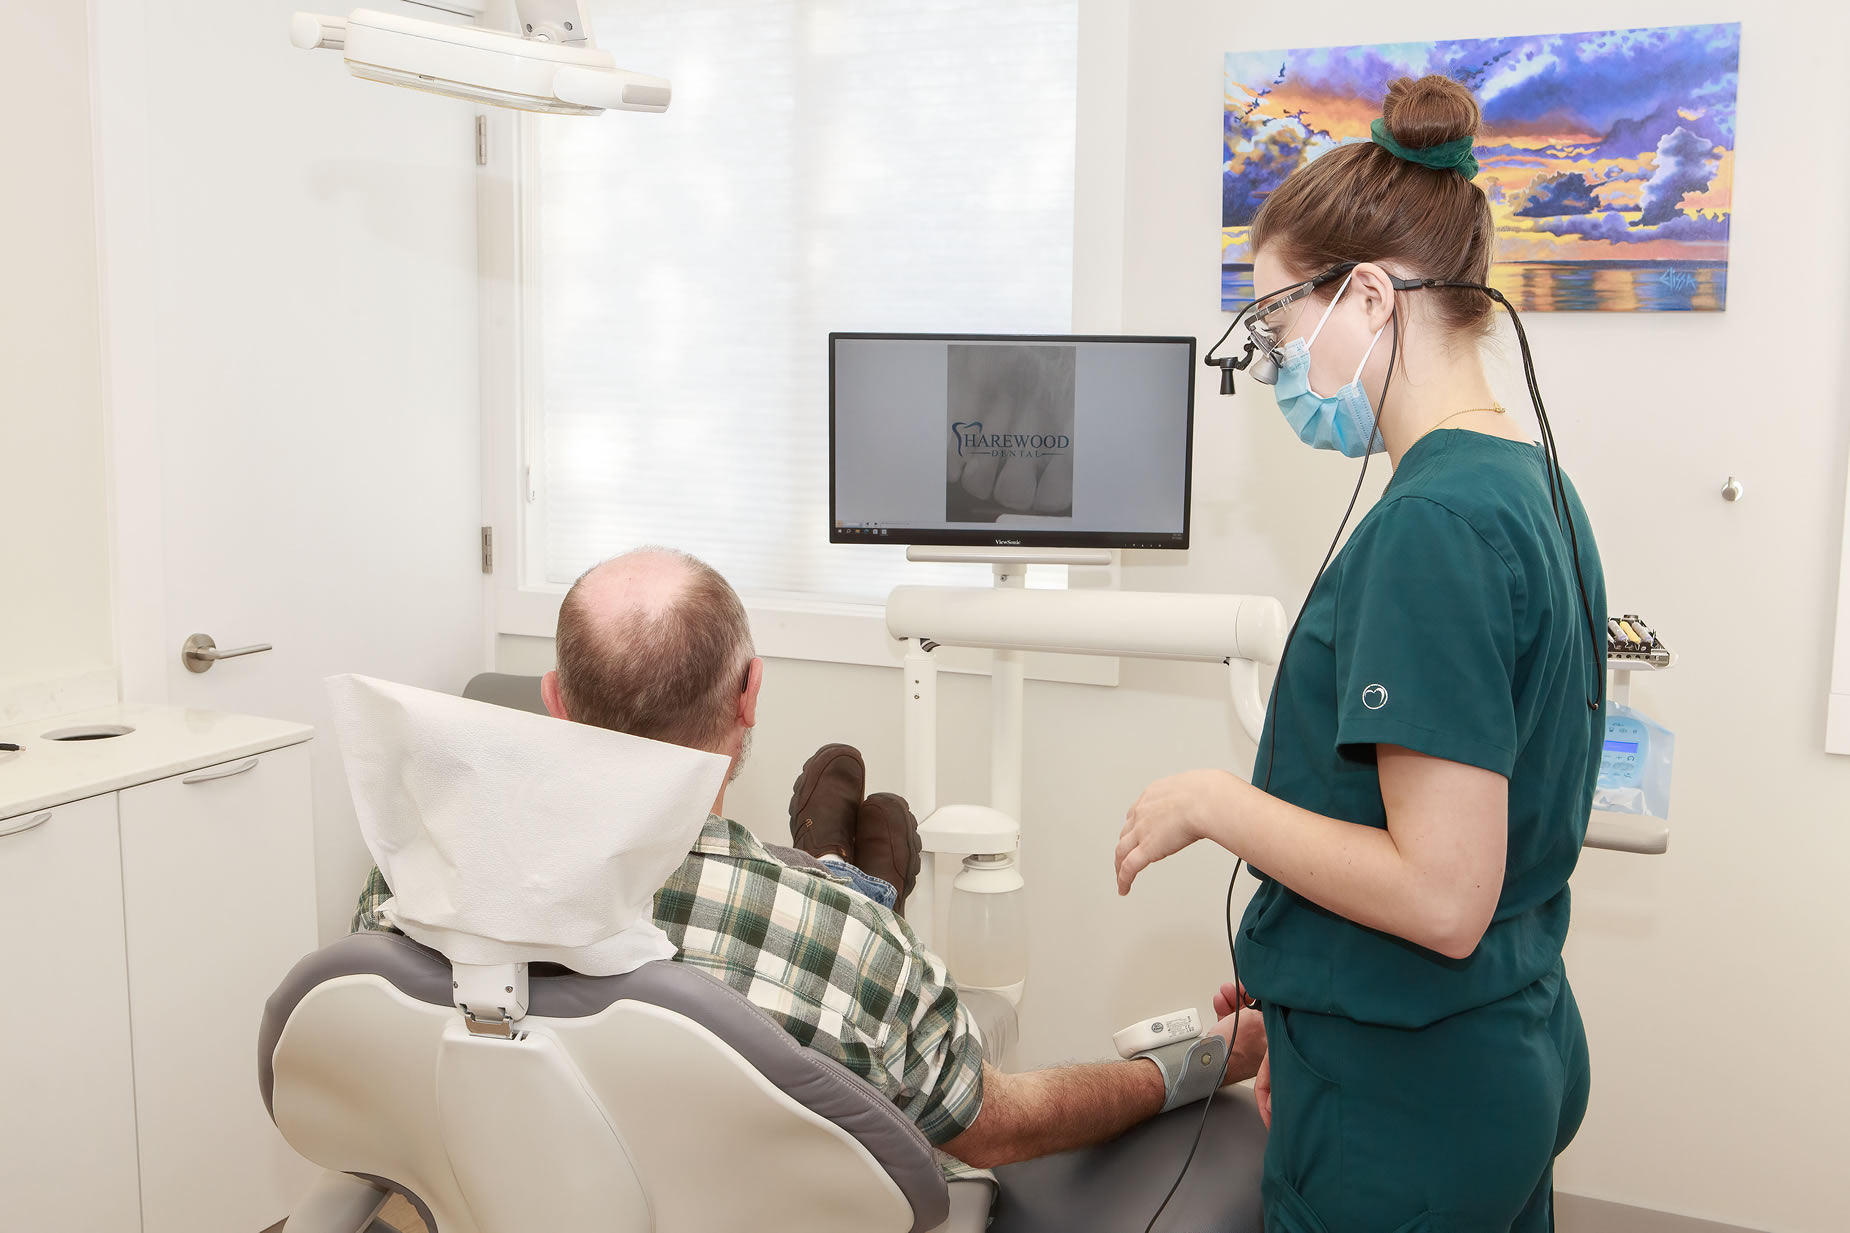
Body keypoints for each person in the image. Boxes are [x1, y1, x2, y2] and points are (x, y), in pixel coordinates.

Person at [352, 547, 1266, 1178]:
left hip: (537, 1192)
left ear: (554, 700)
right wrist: (1200, 1060)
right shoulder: (855, 946)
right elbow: (1000, 1126)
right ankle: (854, 871)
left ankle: (834, 856)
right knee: (855, 928)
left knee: (828, 919)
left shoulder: (414, 882)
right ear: (749, 697)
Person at [1115, 76, 1603, 1231]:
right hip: (1486, 1051)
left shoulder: (1429, 529)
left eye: (1277, 321)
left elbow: (1440, 894)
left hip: (1408, 1106)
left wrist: (1210, 804)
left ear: (1369, 298)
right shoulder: (1531, 483)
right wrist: (1300, 996)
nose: (1274, 358)